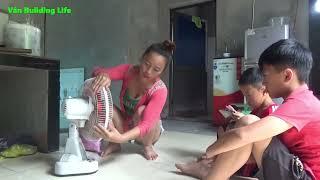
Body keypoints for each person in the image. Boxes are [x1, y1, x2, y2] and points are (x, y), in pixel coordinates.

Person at [176, 39, 320, 180]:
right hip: (294, 168)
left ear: (287, 75)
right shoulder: (302, 101)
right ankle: (209, 173)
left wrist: (210, 152)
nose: (263, 82)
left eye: (265, 75)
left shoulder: (302, 104)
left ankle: (210, 176)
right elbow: (252, 148)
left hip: (305, 175)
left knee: (248, 123)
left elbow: (242, 135)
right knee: (240, 142)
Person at [81, 40, 175, 160]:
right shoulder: (129, 71)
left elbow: (146, 125)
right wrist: (104, 76)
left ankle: (148, 145)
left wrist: (121, 138)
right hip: (126, 123)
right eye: (146, 63)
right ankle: (114, 144)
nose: (148, 71)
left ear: (162, 72)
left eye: (156, 69)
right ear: (142, 58)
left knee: (142, 110)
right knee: (107, 105)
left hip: (149, 132)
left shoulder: (160, 90)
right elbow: (96, 71)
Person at [176, 67, 278, 178]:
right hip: (246, 155)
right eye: (245, 96)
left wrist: (244, 121)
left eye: (249, 95)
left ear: (263, 89)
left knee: (241, 130)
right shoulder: (257, 109)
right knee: (226, 127)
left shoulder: (272, 112)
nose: (247, 100)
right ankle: (210, 163)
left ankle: (209, 165)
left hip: (256, 162)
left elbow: (263, 145)